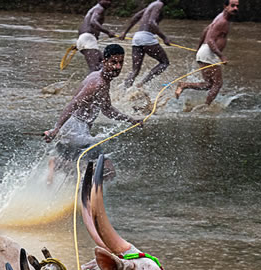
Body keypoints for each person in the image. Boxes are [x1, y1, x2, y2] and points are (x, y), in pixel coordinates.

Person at [43, 44, 145, 176]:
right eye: (113, 62)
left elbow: (107, 110)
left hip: (73, 129)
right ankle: (60, 166)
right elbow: (72, 104)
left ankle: (58, 164)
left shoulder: (97, 76)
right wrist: (56, 129)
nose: (118, 67)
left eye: (120, 62)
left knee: (76, 170)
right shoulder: (97, 83)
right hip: (75, 130)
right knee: (108, 170)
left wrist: (131, 120)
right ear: (104, 61)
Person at [176, 0, 239, 106]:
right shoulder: (222, 21)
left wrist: (199, 48)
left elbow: (206, 30)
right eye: (232, 6)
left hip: (205, 52)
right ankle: (205, 107)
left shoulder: (219, 17)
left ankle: (184, 85)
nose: (236, 9)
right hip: (209, 53)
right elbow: (210, 40)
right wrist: (221, 56)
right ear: (225, 6)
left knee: (208, 84)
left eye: (237, 6)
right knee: (218, 84)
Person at [119, 1, 171, 88]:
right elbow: (151, 22)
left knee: (135, 70)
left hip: (137, 37)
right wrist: (164, 38)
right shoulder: (159, 4)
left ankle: (124, 91)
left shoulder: (151, 5)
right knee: (164, 63)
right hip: (146, 37)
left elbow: (136, 17)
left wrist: (125, 32)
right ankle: (142, 84)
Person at [76, 1, 117, 72]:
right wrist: (108, 32)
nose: (109, 2)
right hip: (88, 39)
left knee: (104, 65)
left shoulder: (94, 9)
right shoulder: (99, 9)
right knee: (95, 68)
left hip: (86, 39)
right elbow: (93, 22)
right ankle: (89, 83)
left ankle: (100, 82)